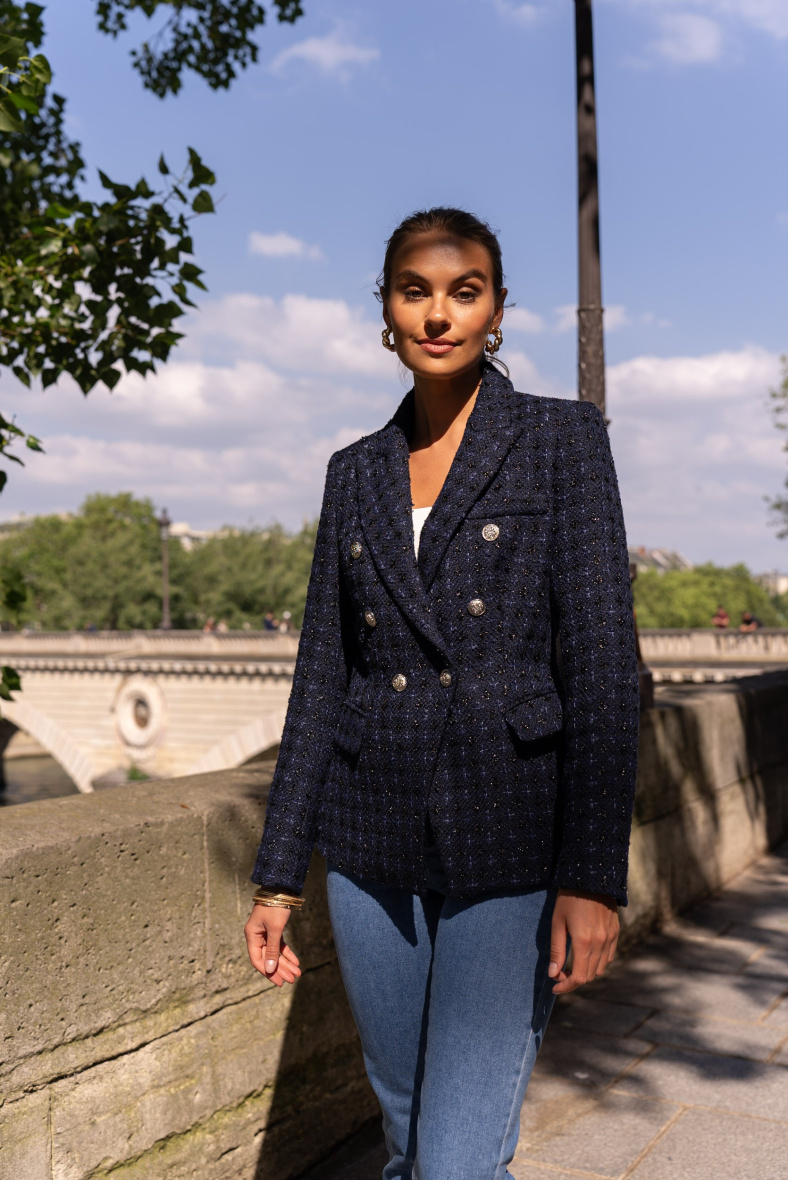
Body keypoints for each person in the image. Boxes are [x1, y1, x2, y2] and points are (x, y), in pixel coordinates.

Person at [244, 208, 639, 1180]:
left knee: (455, 1162)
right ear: (385, 309)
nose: (437, 313)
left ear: (495, 309)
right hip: (372, 841)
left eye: (463, 291)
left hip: (508, 835)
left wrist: (591, 875)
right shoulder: (354, 473)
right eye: (414, 290)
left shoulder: (559, 439)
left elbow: (600, 665)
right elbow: (320, 677)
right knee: (410, 1137)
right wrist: (278, 871)